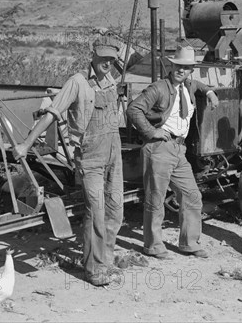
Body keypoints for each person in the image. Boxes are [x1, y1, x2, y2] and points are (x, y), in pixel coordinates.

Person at [13, 40, 124, 286]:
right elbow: (52, 113)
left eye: (113, 60)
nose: (108, 63)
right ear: (93, 56)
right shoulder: (77, 82)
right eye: (104, 58)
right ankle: (94, 269)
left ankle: (106, 260)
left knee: (116, 210)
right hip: (91, 157)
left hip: (113, 154)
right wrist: (26, 144)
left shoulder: (111, 81)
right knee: (95, 211)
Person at [127, 46, 219, 260]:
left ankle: (189, 243)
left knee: (192, 195)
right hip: (159, 148)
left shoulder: (188, 85)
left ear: (190, 71)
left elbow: (198, 85)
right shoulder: (159, 88)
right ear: (172, 66)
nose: (181, 70)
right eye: (178, 66)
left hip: (179, 149)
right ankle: (153, 246)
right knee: (155, 199)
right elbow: (134, 109)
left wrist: (210, 92)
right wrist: (151, 131)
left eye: (186, 68)